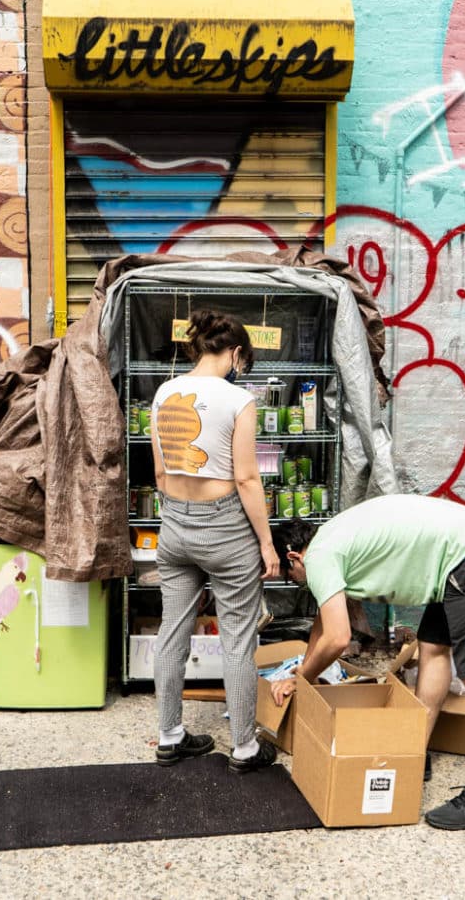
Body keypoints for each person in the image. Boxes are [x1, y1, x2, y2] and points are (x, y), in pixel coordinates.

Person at [269, 495, 465, 830]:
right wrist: (304, 670)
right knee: (433, 648)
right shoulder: (330, 540)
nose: (302, 583)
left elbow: (337, 637)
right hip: (463, 550)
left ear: (294, 557)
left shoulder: (321, 557)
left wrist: (301, 678)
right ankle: (415, 751)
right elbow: (323, 625)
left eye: (293, 577)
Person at [150, 310, 281, 772]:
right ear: (236, 353)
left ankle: (169, 737)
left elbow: (160, 472)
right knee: (238, 641)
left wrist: (180, 513)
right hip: (226, 528)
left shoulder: (164, 393)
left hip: (174, 523)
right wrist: (266, 543)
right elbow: (246, 478)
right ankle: (244, 748)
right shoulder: (239, 400)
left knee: (171, 633)